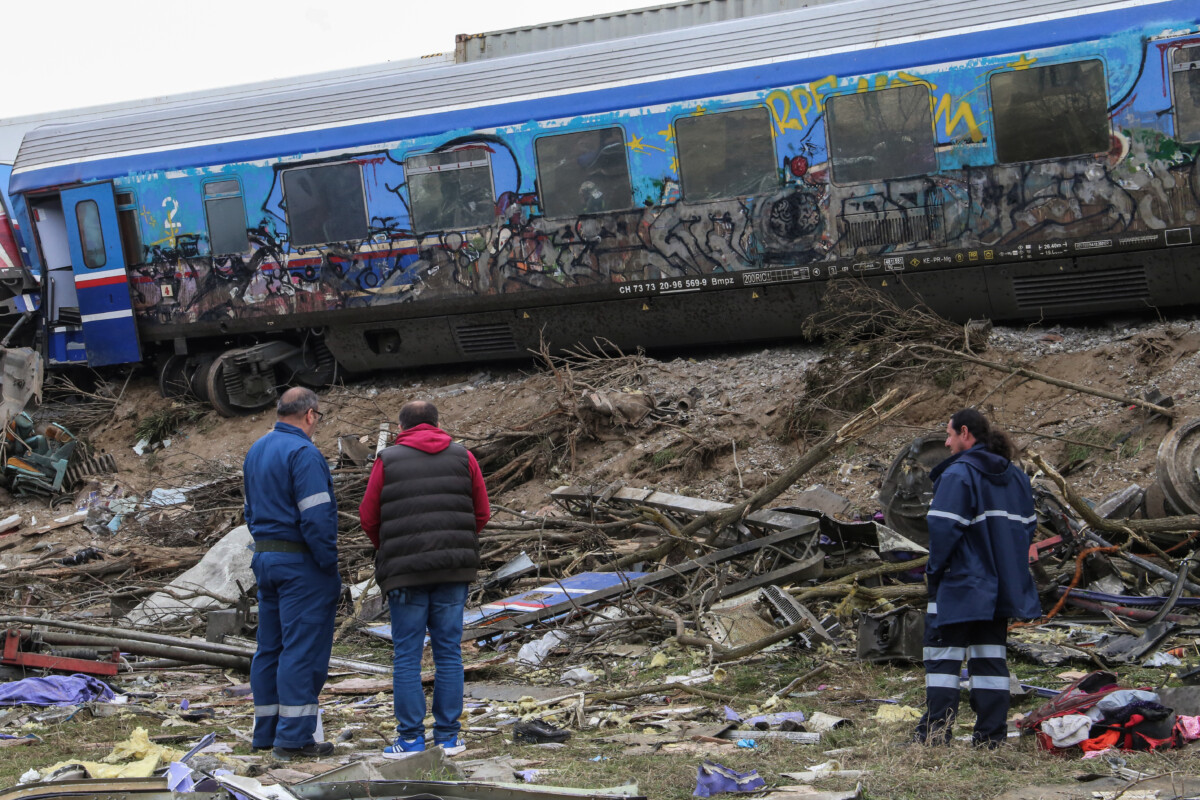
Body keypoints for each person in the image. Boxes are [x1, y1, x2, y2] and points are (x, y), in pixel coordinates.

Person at [359, 400, 490, 757]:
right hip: (453, 569)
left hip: (405, 574)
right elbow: (482, 511)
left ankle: (411, 739)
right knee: (449, 652)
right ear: (436, 423)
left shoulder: (387, 459)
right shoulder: (464, 456)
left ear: (402, 427)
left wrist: (391, 550)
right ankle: (449, 738)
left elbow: (368, 516)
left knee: (406, 655)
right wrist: (457, 542)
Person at [913, 408, 1041, 748]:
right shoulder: (1016, 478)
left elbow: (943, 529)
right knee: (990, 660)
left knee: (942, 657)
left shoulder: (959, 474)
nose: (946, 441)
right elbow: (1027, 530)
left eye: (949, 434)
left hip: (960, 584)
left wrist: (934, 573)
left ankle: (935, 735)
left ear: (965, 433)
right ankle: (990, 737)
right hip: (1000, 587)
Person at [244, 387, 341, 761]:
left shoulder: (257, 450)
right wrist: (327, 563)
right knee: (302, 649)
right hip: (302, 564)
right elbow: (317, 517)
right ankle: (295, 738)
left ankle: (266, 733)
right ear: (311, 415)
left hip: (266, 559)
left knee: (270, 648)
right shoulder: (303, 452)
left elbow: (250, 511)